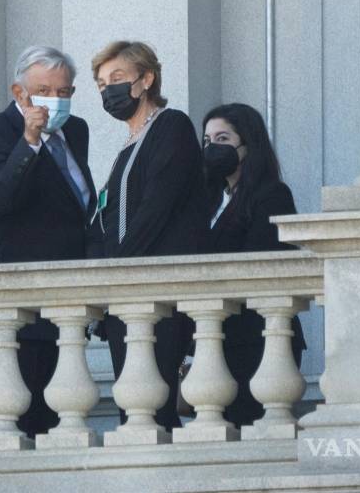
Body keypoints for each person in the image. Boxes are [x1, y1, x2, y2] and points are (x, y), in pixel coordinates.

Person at [0, 45, 96, 438]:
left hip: (63, 302)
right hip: (11, 302)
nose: (55, 100)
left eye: (64, 92)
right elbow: (4, 198)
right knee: (12, 424)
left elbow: (77, 206)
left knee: (59, 423)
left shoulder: (76, 131)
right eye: (45, 90)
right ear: (20, 93)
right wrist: (30, 139)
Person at [90, 40, 208, 432]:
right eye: (102, 83)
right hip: (125, 298)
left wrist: (117, 270)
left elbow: (157, 207)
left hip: (158, 293)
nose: (109, 90)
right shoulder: (126, 147)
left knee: (155, 405)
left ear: (146, 80)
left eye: (118, 79)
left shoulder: (171, 126)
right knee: (132, 409)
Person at [201, 102, 305, 427]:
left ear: (247, 144)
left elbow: (262, 260)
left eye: (222, 139)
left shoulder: (272, 194)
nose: (211, 148)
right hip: (220, 335)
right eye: (206, 141)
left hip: (258, 337)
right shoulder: (212, 199)